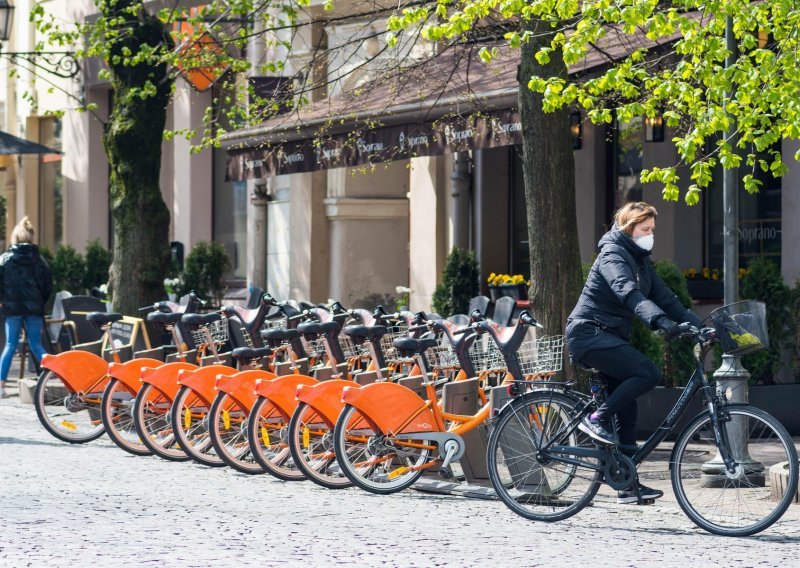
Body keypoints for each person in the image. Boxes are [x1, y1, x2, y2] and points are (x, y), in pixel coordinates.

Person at [565, 202, 702, 504]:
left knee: (628, 410)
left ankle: (626, 485)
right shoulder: (613, 254)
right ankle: (596, 418)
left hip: (608, 337)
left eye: (652, 229)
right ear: (629, 229)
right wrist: (658, 320)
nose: (651, 235)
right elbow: (627, 291)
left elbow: (667, 298)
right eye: (646, 229)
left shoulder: (641, 261)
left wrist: (700, 326)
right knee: (647, 373)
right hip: (589, 334)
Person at [0, 217, 53, 398]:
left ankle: (1, 387)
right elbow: (47, 286)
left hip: (11, 309)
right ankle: (52, 380)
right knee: (37, 345)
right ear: (32, 237)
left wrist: (3, 300)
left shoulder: (5, 260)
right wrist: (39, 302)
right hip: (34, 310)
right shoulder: (40, 260)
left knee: (9, 345)